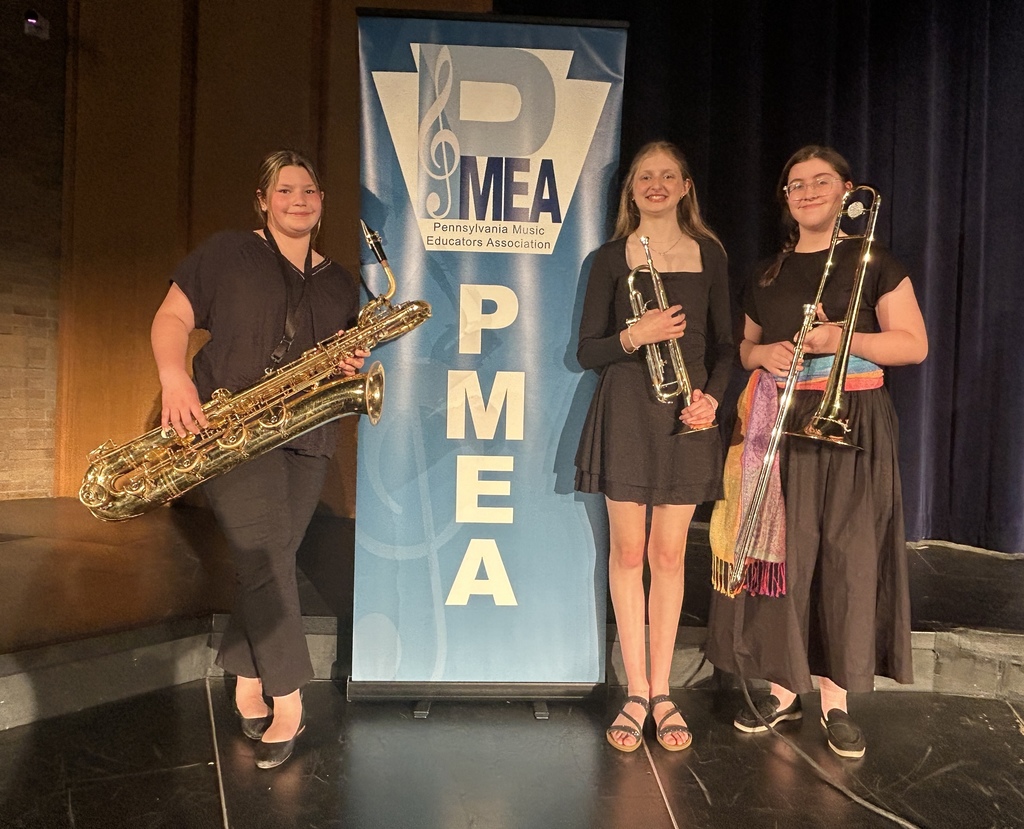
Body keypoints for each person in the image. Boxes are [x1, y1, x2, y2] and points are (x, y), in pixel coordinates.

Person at [706, 145, 928, 759]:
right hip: (785, 417)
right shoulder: (767, 273)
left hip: (855, 418)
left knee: (846, 556)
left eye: (820, 182)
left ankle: (835, 700)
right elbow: (743, 349)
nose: (806, 192)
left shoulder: (872, 261)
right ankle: (784, 687)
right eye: (795, 184)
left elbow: (913, 346)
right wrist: (764, 356)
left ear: (845, 192)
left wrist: (841, 338)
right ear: (786, 198)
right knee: (789, 553)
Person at [151, 149, 369, 769]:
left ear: (322, 202)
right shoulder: (226, 252)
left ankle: (245, 669)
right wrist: (174, 377)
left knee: (268, 559)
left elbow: (334, 358)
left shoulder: (338, 282)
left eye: (309, 191)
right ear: (263, 198)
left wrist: (345, 366)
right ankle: (290, 697)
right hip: (231, 428)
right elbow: (172, 317)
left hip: (306, 435)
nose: (298, 200)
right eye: (285, 190)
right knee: (268, 558)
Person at [575, 141, 733, 752]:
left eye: (669, 174)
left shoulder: (709, 255)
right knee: (628, 551)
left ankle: (663, 691)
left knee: (670, 557)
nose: (657, 184)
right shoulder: (610, 259)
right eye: (646, 175)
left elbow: (725, 346)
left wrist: (713, 400)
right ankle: (634, 691)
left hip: (688, 417)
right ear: (631, 188)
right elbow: (588, 351)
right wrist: (634, 334)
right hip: (628, 415)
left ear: (686, 185)